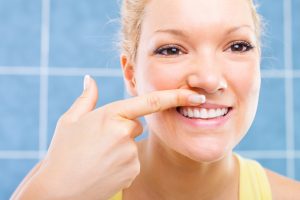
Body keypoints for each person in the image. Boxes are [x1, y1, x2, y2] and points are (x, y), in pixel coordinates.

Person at [12, 0, 300, 199]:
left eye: (238, 46)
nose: (209, 79)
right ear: (131, 74)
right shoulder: (63, 186)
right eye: (172, 50)